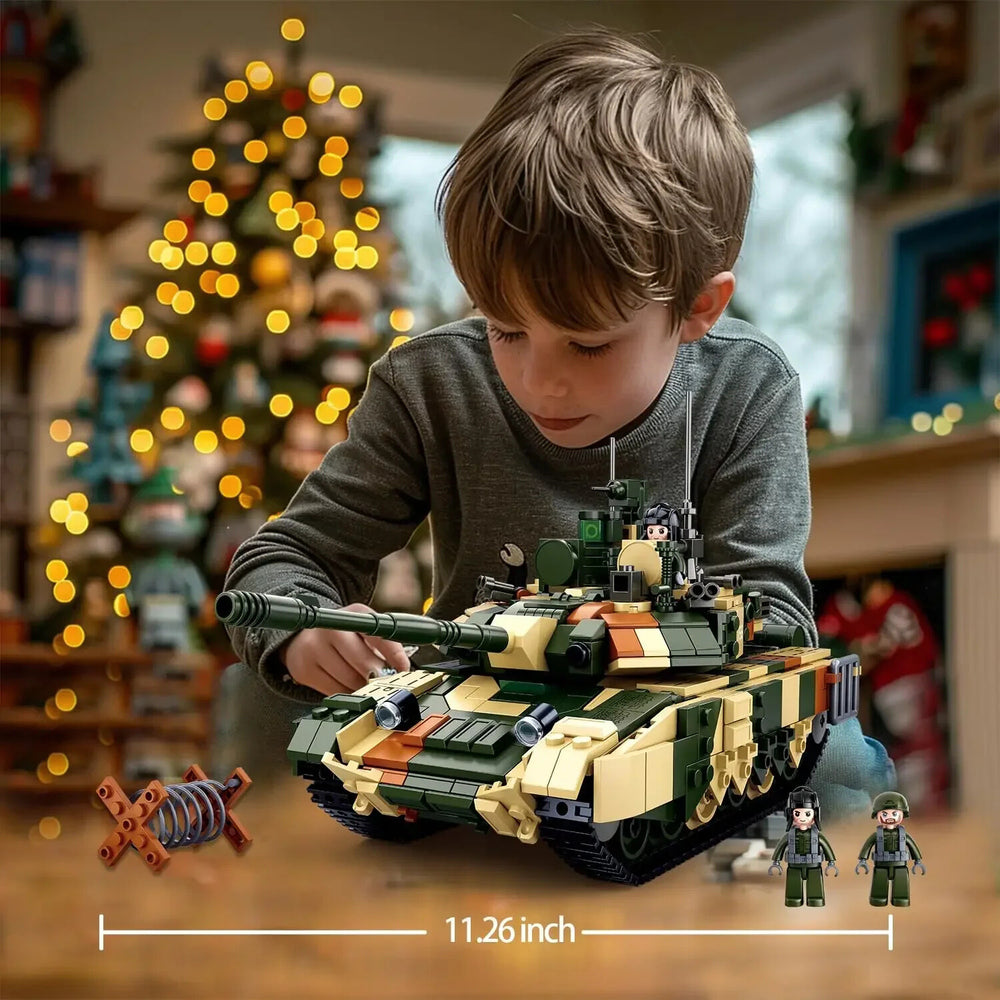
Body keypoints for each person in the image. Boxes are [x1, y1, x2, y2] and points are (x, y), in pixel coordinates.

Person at [220, 26, 893, 811]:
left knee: (841, 764)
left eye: (588, 343)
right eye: (505, 329)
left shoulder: (747, 387)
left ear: (696, 309)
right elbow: (283, 557)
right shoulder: (432, 382)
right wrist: (305, 632)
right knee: (263, 697)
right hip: (481, 711)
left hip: (666, 720)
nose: (539, 382)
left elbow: (772, 618)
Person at [768, 786, 838, 906]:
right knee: (793, 887)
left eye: (807, 814)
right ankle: (793, 899)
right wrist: (776, 862)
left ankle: (815, 899)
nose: (802, 817)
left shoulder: (816, 835)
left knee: (815, 887)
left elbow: (825, 846)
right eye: (797, 813)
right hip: (794, 866)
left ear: (814, 815)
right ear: (791, 814)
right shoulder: (790, 835)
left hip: (813, 866)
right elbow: (781, 846)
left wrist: (831, 862)